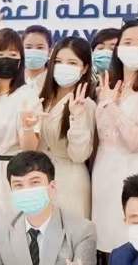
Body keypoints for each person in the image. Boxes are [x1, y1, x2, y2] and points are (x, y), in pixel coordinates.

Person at [90, 20, 138, 256]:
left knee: (129, 245)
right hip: (102, 176)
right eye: (128, 42)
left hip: (131, 175)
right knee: (102, 247)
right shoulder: (106, 87)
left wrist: (111, 106)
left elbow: (137, 141)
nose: (134, 48)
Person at [0, 28, 43, 227]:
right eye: (0, 54)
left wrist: (27, 128)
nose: (7, 59)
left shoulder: (27, 94)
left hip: (15, 175)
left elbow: (30, 148)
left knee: (14, 230)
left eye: (13, 55)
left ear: (21, 60)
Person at [37, 36, 95, 220]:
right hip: (40, 178)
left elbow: (79, 155)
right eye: (58, 61)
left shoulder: (86, 104)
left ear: (84, 68)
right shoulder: (41, 97)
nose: (63, 67)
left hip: (70, 182)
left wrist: (76, 118)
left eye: (72, 63)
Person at [21, 24, 52, 89]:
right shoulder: (14, 77)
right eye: (28, 47)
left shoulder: (54, 78)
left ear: (49, 51)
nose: (33, 51)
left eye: (40, 47)